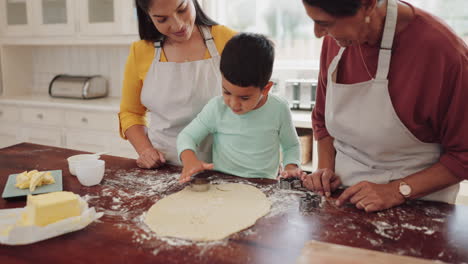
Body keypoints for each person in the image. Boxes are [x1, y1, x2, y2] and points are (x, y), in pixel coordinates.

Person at [301, 0, 468, 212]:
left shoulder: (442, 52)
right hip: (343, 201)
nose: (318, 33)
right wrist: (325, 170)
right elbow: (322, 119)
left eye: (325, 22)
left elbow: (463, 156)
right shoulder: (339, 38)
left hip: (419, 208)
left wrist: (396, 191)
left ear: (369, 5)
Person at [119, 0, 236, 169]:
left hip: (225, 165)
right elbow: (130, 112)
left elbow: (254, 100)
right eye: (162, 19)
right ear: (148, 17)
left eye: (182, 10)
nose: (177, 25)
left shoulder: (227, 40)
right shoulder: (141, 51)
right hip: (165, 168)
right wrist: (146, 150)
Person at [177, 33, 304, 182]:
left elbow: (291, 146)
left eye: (244, 98)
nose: (233, 103)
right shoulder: (216, 108)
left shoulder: (279, 109)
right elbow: (187, 136)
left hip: (263, 183)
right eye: (227, 92)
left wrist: (291, 166)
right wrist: (189, 160)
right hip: (224, 183)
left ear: (266, 88)